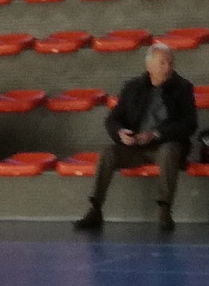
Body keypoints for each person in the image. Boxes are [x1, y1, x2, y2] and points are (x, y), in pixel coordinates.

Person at [72, 43, 197, 231]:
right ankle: (95, 209)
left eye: (170, 63)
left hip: (163, 144)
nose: (168, 67)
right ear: (149, 67)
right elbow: (113, 119)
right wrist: (121, 133)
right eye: (162, 63)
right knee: (108, 153)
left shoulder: (183, 88)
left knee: (169, 151)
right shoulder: (132, 88)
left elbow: (189, 124)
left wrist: (155, 134)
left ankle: (165, 209)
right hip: (135, 147)